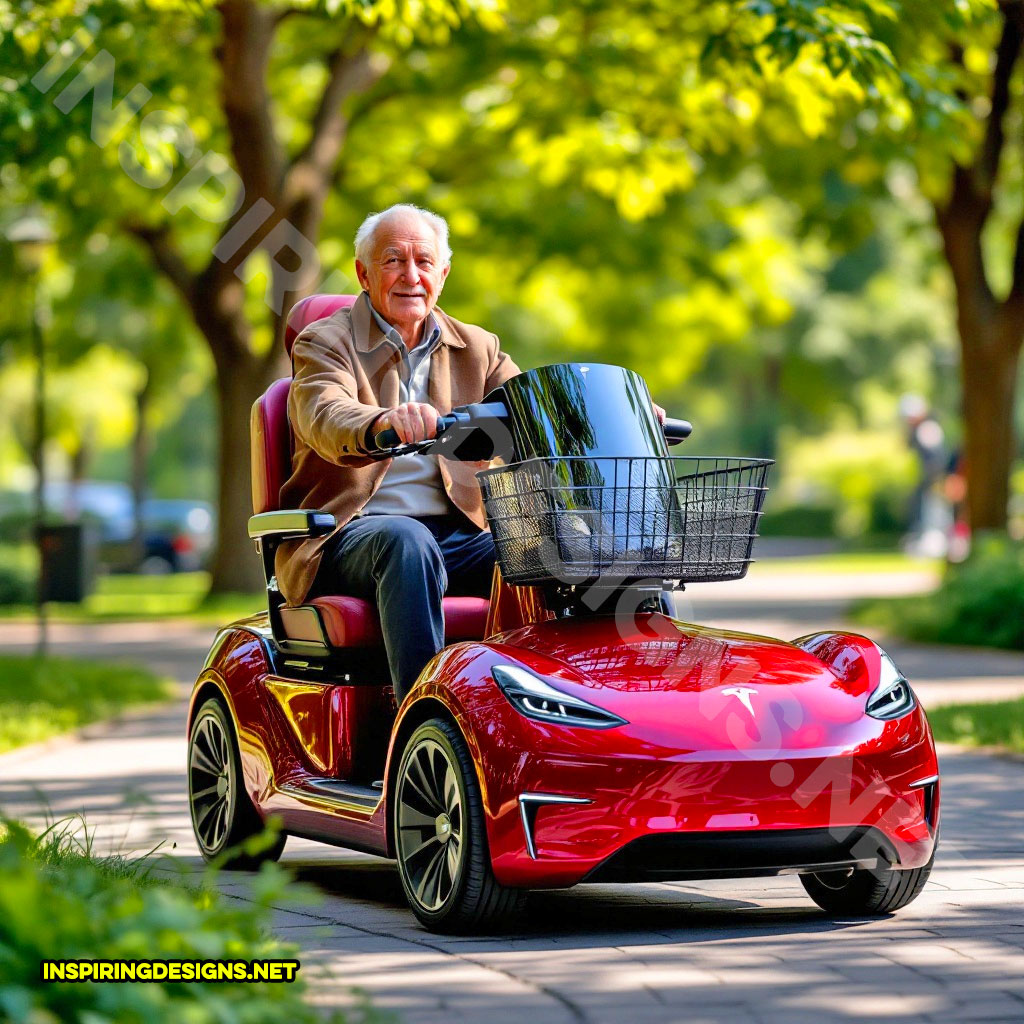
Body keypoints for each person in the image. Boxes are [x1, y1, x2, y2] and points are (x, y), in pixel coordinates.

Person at [277, 204, 521, 703]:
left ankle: (540, 711)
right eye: (393, 261)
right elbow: (327, 413)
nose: (411, 275)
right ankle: (420, 715)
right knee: (407, 541)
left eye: (424, 262)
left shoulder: (478, 347)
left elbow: (535, 407)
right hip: (347, 533)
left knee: (554, 545)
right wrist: (382, 422)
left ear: (443, 274)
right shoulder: (325, 341)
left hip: (458, 533)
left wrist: (611, 412)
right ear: (364, 274)